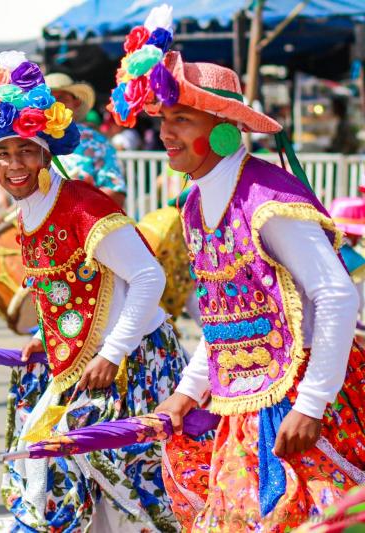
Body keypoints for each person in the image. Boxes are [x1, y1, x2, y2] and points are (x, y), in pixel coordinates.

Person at [104, 8, 365, 528]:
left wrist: (311, 404)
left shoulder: (268, 199)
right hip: (243, 400)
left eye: (182, 120)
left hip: (300, 397)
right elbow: (224, 317)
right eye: (163, 120)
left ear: (224, 129)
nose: (166, 134)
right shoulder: (197, 203)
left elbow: (335, 296)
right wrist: (187, 390)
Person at [0, 51, 186, 532]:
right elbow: (62, 287)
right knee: (61, 480)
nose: (13, 164)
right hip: (82, 364)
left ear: (46, 153)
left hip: (133, 364)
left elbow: (148, 278)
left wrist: (113, 353)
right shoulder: (29, 210)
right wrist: (45, 333)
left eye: (25, 151)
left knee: (127, 496)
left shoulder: (81, 204)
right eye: (2, 153)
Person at [46, 73, 127, 207]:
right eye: (49, 101)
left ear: (76, 103)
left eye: (61, 99)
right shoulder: (32, 141)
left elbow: (116, 191)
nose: (55, 106)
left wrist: (82, 198)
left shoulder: (96, 142)